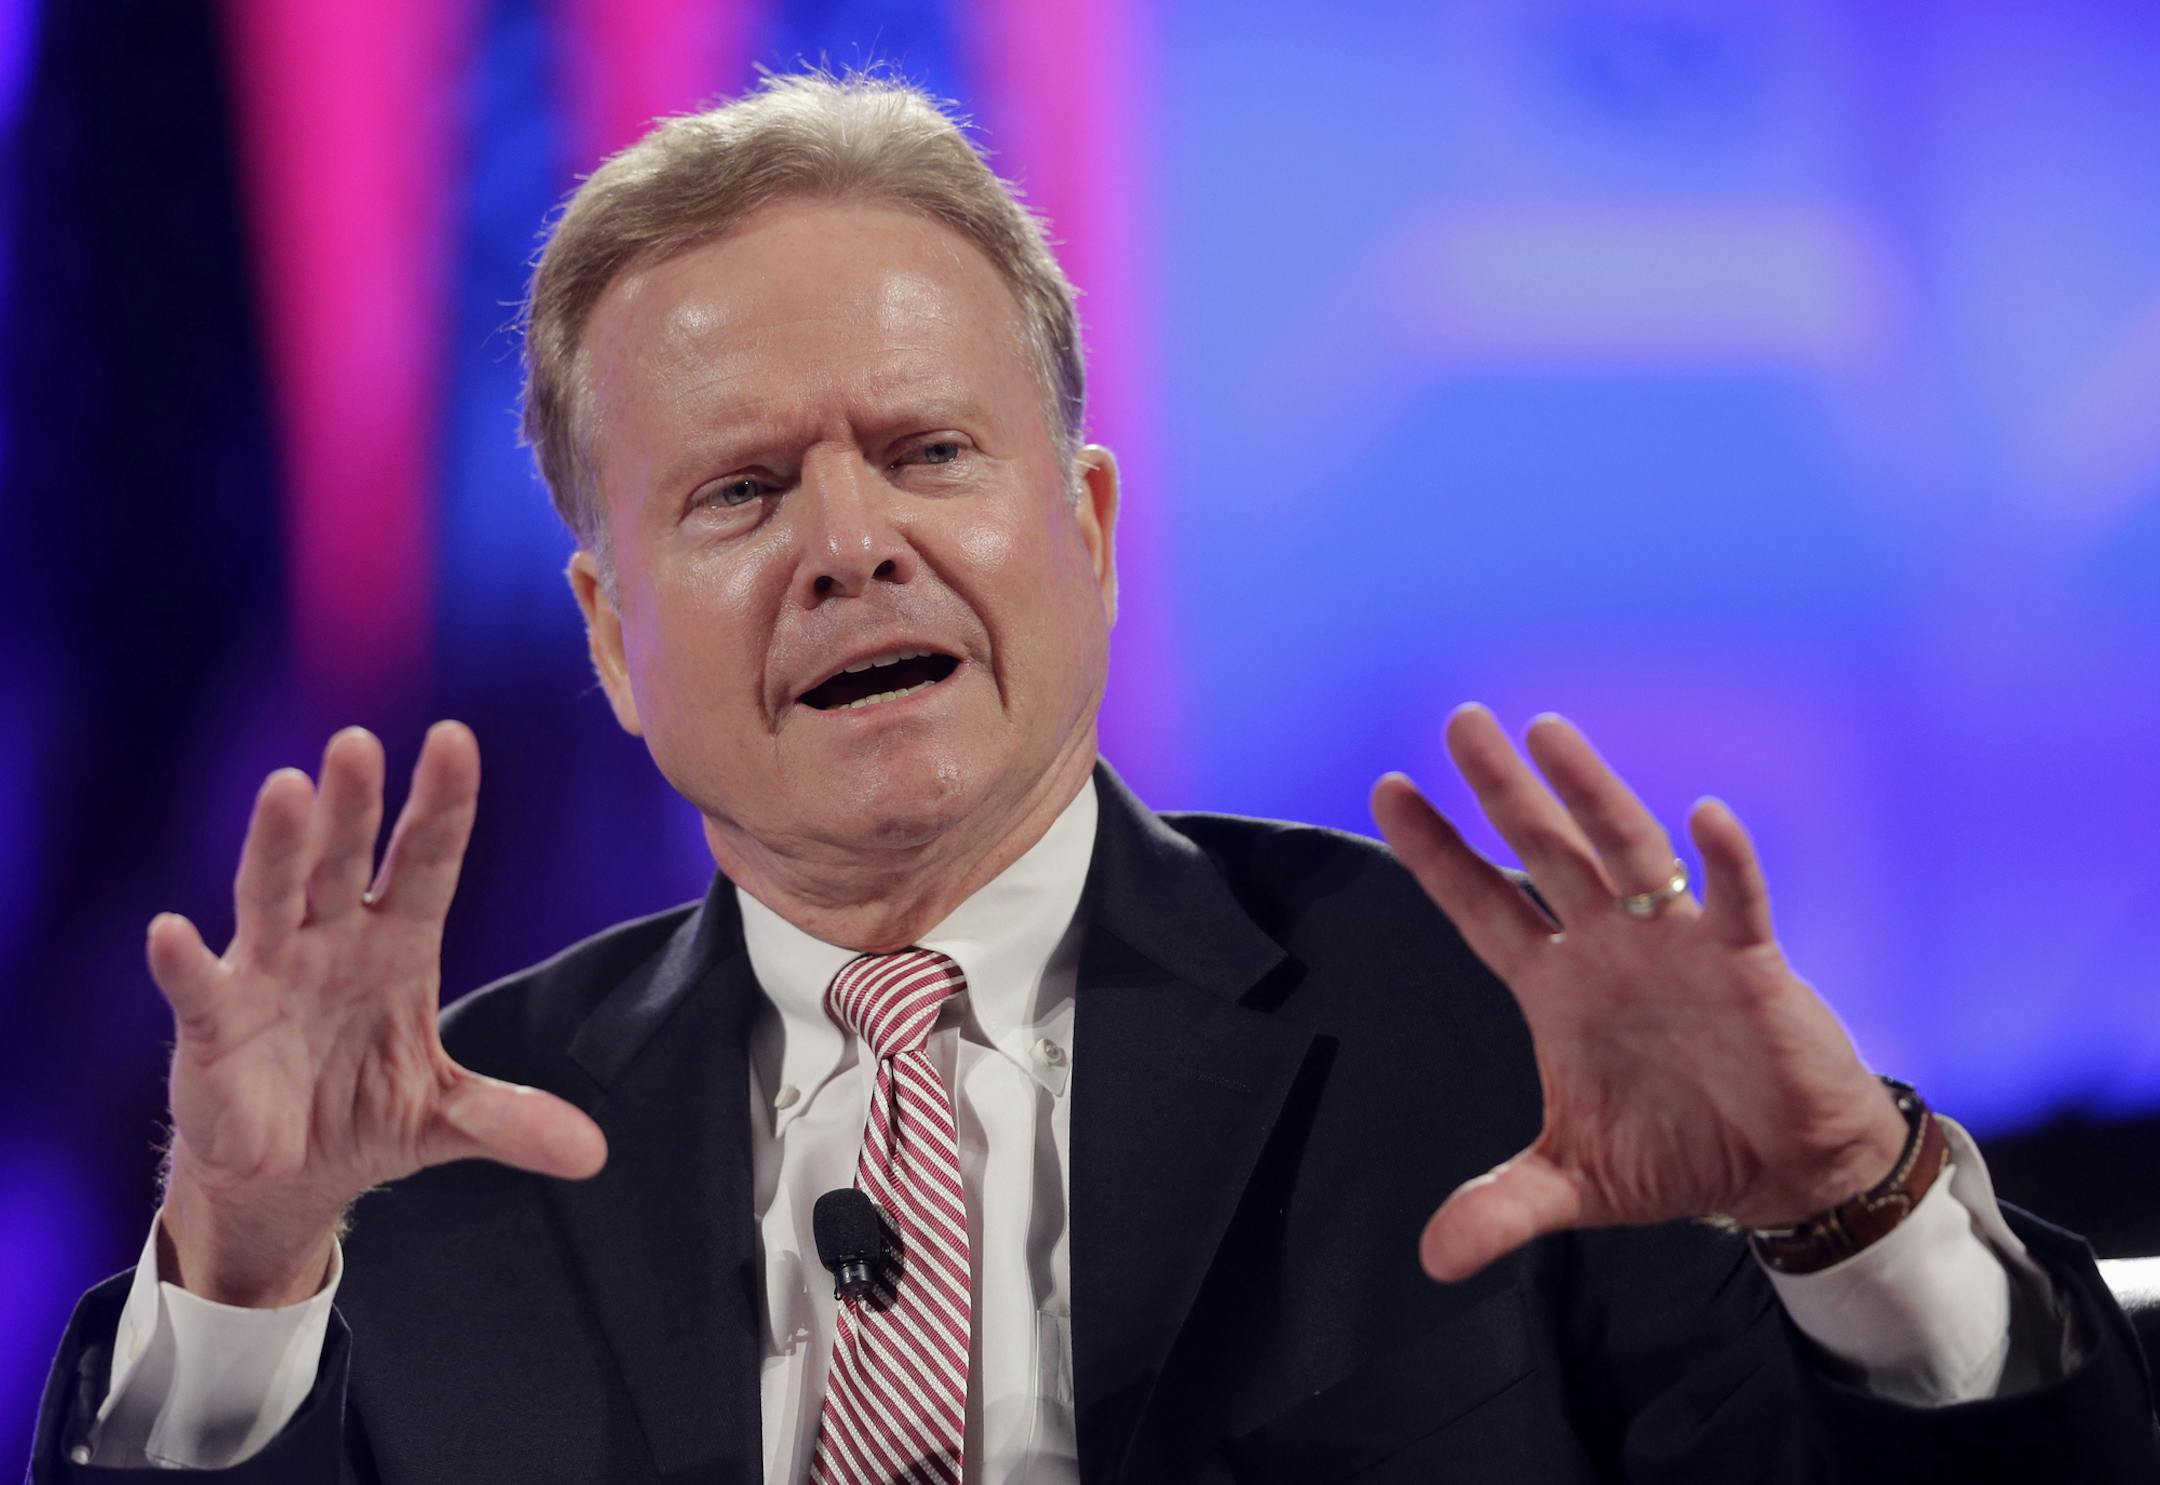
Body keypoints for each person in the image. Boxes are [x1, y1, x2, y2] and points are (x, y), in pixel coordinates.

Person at [30, 72, 2158, 1483]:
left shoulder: (1488, 1034)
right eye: (747, 486)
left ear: (1097, 527)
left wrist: (1846, 1211)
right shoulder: (427, 1154)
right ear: (608, 630)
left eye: (932, 448)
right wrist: (229, 1278)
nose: (855, 539)